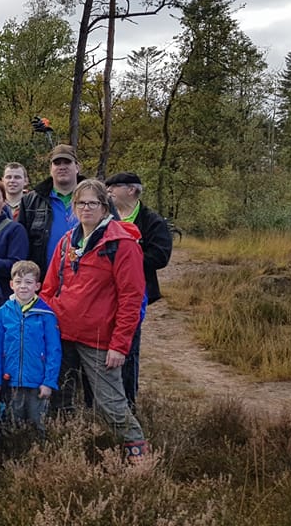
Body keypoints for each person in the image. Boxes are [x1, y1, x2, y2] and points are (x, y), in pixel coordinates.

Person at [42, 179, 149, 463]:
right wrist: (56, 316)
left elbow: (131, 299)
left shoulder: (121, 243)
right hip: (62, 336)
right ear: (74, 207)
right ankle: (66, 456)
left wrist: (119, 345)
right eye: (80, 203)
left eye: (93, 203)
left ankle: (139, 459)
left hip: (99, 340)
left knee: (111, 403)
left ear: (105, 207)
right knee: (59, 399)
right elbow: (48, 288)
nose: (86, 208)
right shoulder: (67, 241)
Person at [105, 171, 172, 409]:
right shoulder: (107, 217)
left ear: (132, 190)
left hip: (137, 293)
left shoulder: (150, 220)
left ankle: (128, 403)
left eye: (114, 187)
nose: (109, 191)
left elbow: (161, 256)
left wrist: (127, 259)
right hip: (105, 293)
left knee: (128, 346)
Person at [0, 260, 60, 438]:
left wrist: (49, 382)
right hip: (10, 381)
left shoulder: (46, 315)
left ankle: (39, 461)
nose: (23, 287)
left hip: (37, 382)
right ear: (11, 284)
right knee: (12, 426)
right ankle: (15, 461)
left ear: (37, 286)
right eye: (18, 282)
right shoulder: (2, 313)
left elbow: (54, 351)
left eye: (28, 282)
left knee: (38, 425)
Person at [19, 144, 87, 276]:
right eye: (57, 163)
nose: (62, 167)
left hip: (86, 280)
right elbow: (22, 246)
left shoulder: (97, 199)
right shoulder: (30, 202)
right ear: (51, 169)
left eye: (67, 162)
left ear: (77, 167)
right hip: (44, 280)